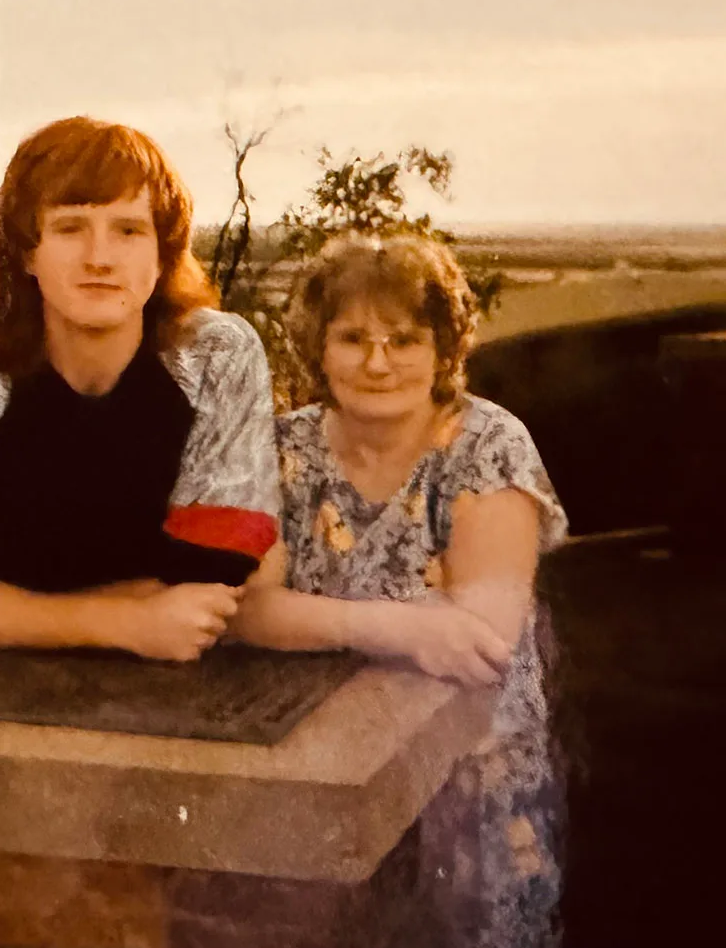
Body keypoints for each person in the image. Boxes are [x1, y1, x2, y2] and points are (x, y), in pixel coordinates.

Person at [232, 233, 569, 947]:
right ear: (318, 348)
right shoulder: (281, 449)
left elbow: (481, 641)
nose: (377, 362)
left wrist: (315, 613)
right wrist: (413, 624)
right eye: (352, 337)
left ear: (443, 348)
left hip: (471, 776)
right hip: (314, 767)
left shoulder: (488, 446)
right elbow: (250, 610)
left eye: (405, 338)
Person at [0, 116, 281, 662]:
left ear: (163, 253)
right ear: (27, 252)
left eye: (129, 230)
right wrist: (125, 619)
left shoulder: (214, 357)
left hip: (178, 670)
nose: (100, 258)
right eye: (70, 227)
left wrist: (1, 606)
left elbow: (215, 576)